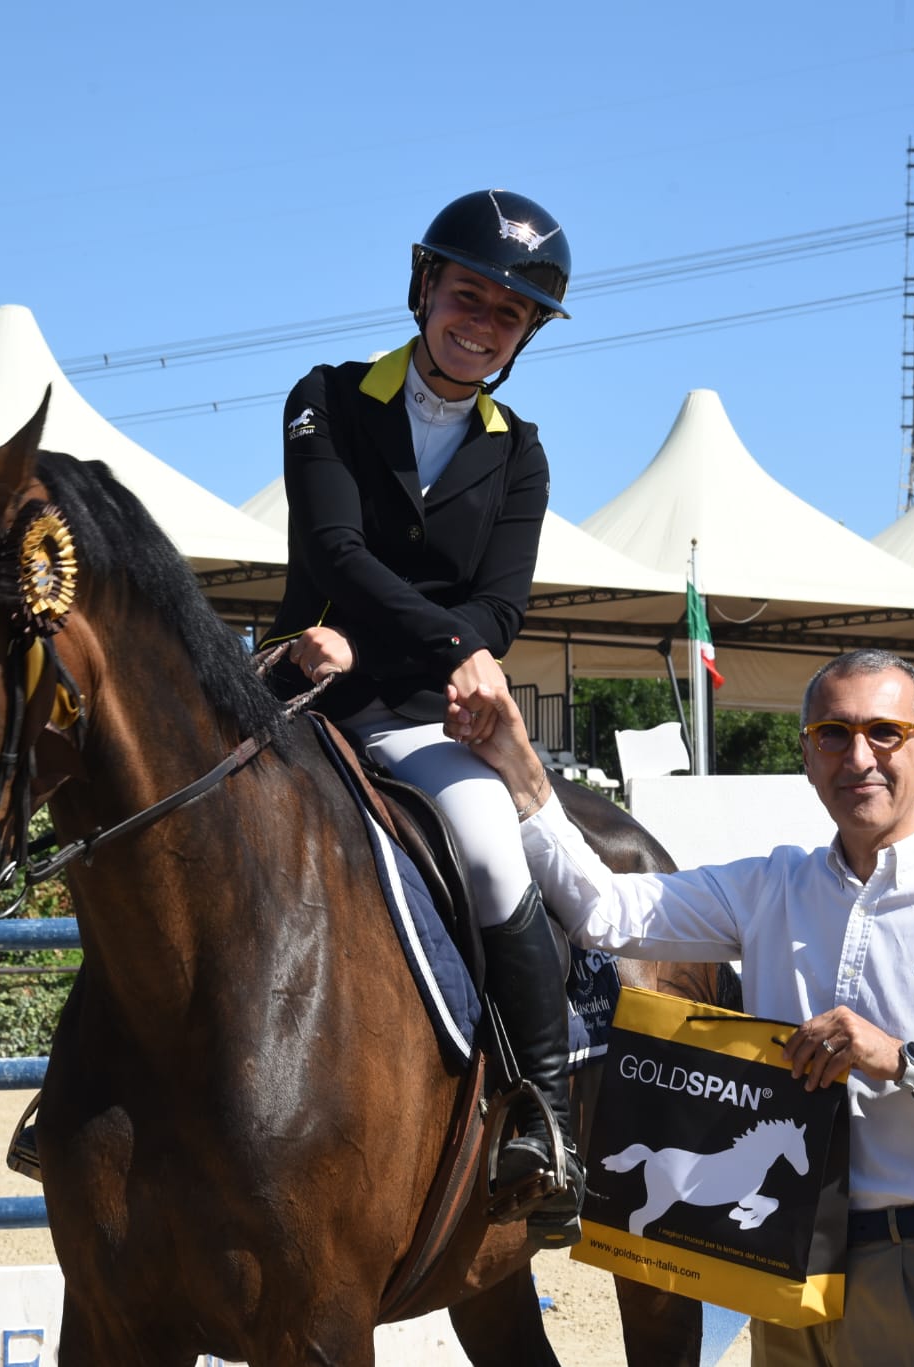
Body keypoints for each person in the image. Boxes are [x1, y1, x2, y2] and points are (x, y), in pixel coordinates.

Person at [460, 647, 914, 1365]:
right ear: (807, 756)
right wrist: (518, 762)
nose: (858, 756)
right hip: (784, 1270)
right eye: (833, 734)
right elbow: (603, 910)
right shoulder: (771, 886)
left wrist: (905, 1063)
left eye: (885, 732)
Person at [261, 189, 582, 1244]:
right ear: (423, 287)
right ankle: (80, 1084)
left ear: (524, 336)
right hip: (304, 685)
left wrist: (434, 655)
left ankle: (543, 1113)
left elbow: (502, 606)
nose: (481, 324)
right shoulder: (325, 398)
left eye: (508, 314)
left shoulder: (519, 451)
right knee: (171, 812)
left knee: (489, 846)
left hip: (418, 713)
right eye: (467, 297)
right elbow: (335, 551)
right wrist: (419, 645)